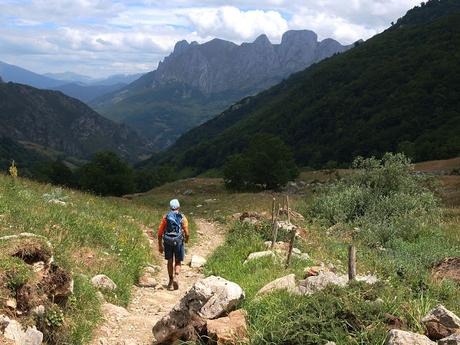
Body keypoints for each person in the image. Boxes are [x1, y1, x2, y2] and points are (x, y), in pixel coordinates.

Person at [157, 199, 189, 290]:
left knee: (170, 261)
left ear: (170, 207)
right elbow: (187, 233)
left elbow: (160, 233)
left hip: (167, 241)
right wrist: (186, 240)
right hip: (178, 241)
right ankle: (176, 276)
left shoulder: (166, 217)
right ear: (178, 207)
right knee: (178, 261)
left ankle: (170, 280)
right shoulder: (182, 217)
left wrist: (160, 245)